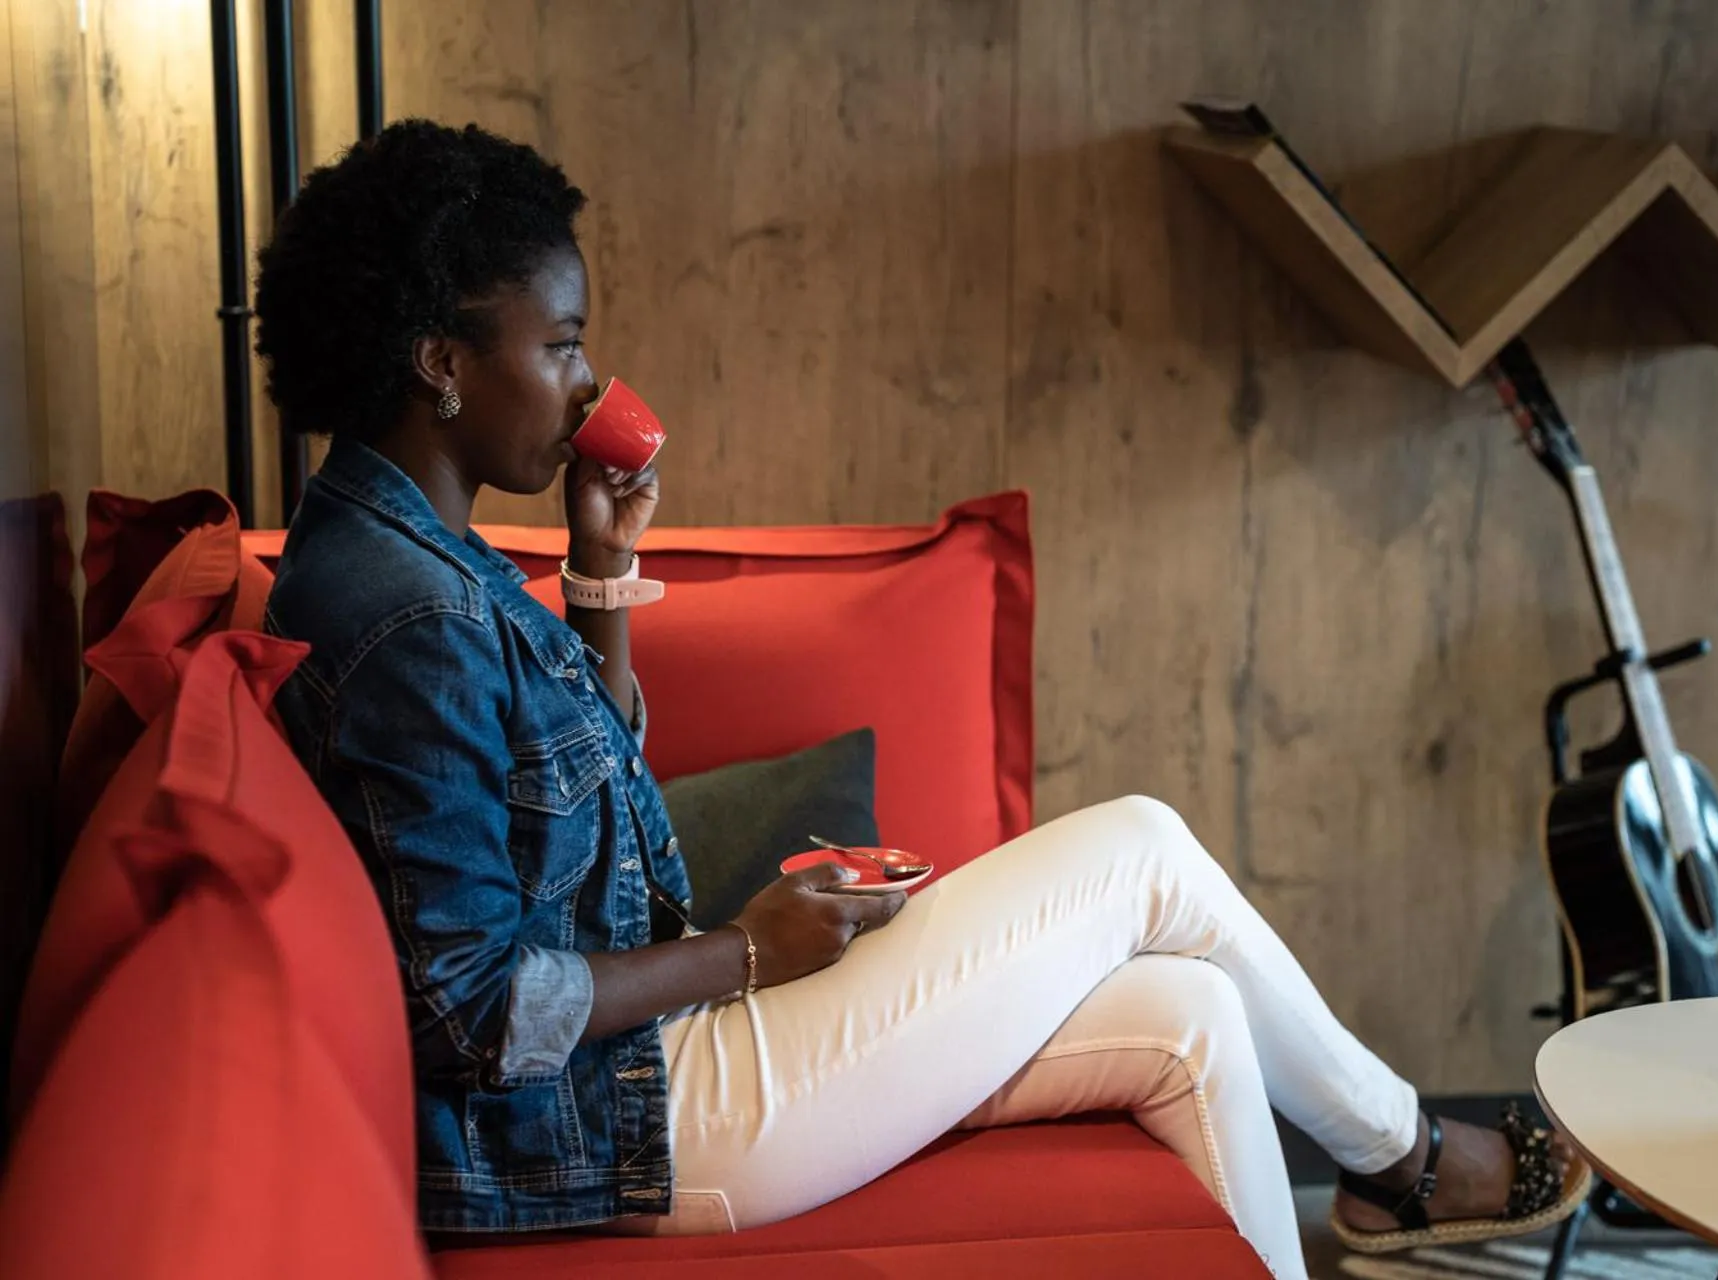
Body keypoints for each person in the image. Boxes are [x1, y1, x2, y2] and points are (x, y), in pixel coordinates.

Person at [253, 120, 1588, 1279]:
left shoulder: (411, 554)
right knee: (1139, 851)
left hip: (646, 1069)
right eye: (559, 344)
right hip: (624, 1124)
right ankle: (1413, 1162)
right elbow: (476, 1008)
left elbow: (570, 808)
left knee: (1193, 1016)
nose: (588, 386)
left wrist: (603, 579)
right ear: (440, 361)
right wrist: (752, 953)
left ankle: (1392, 1173)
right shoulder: (405, 613)